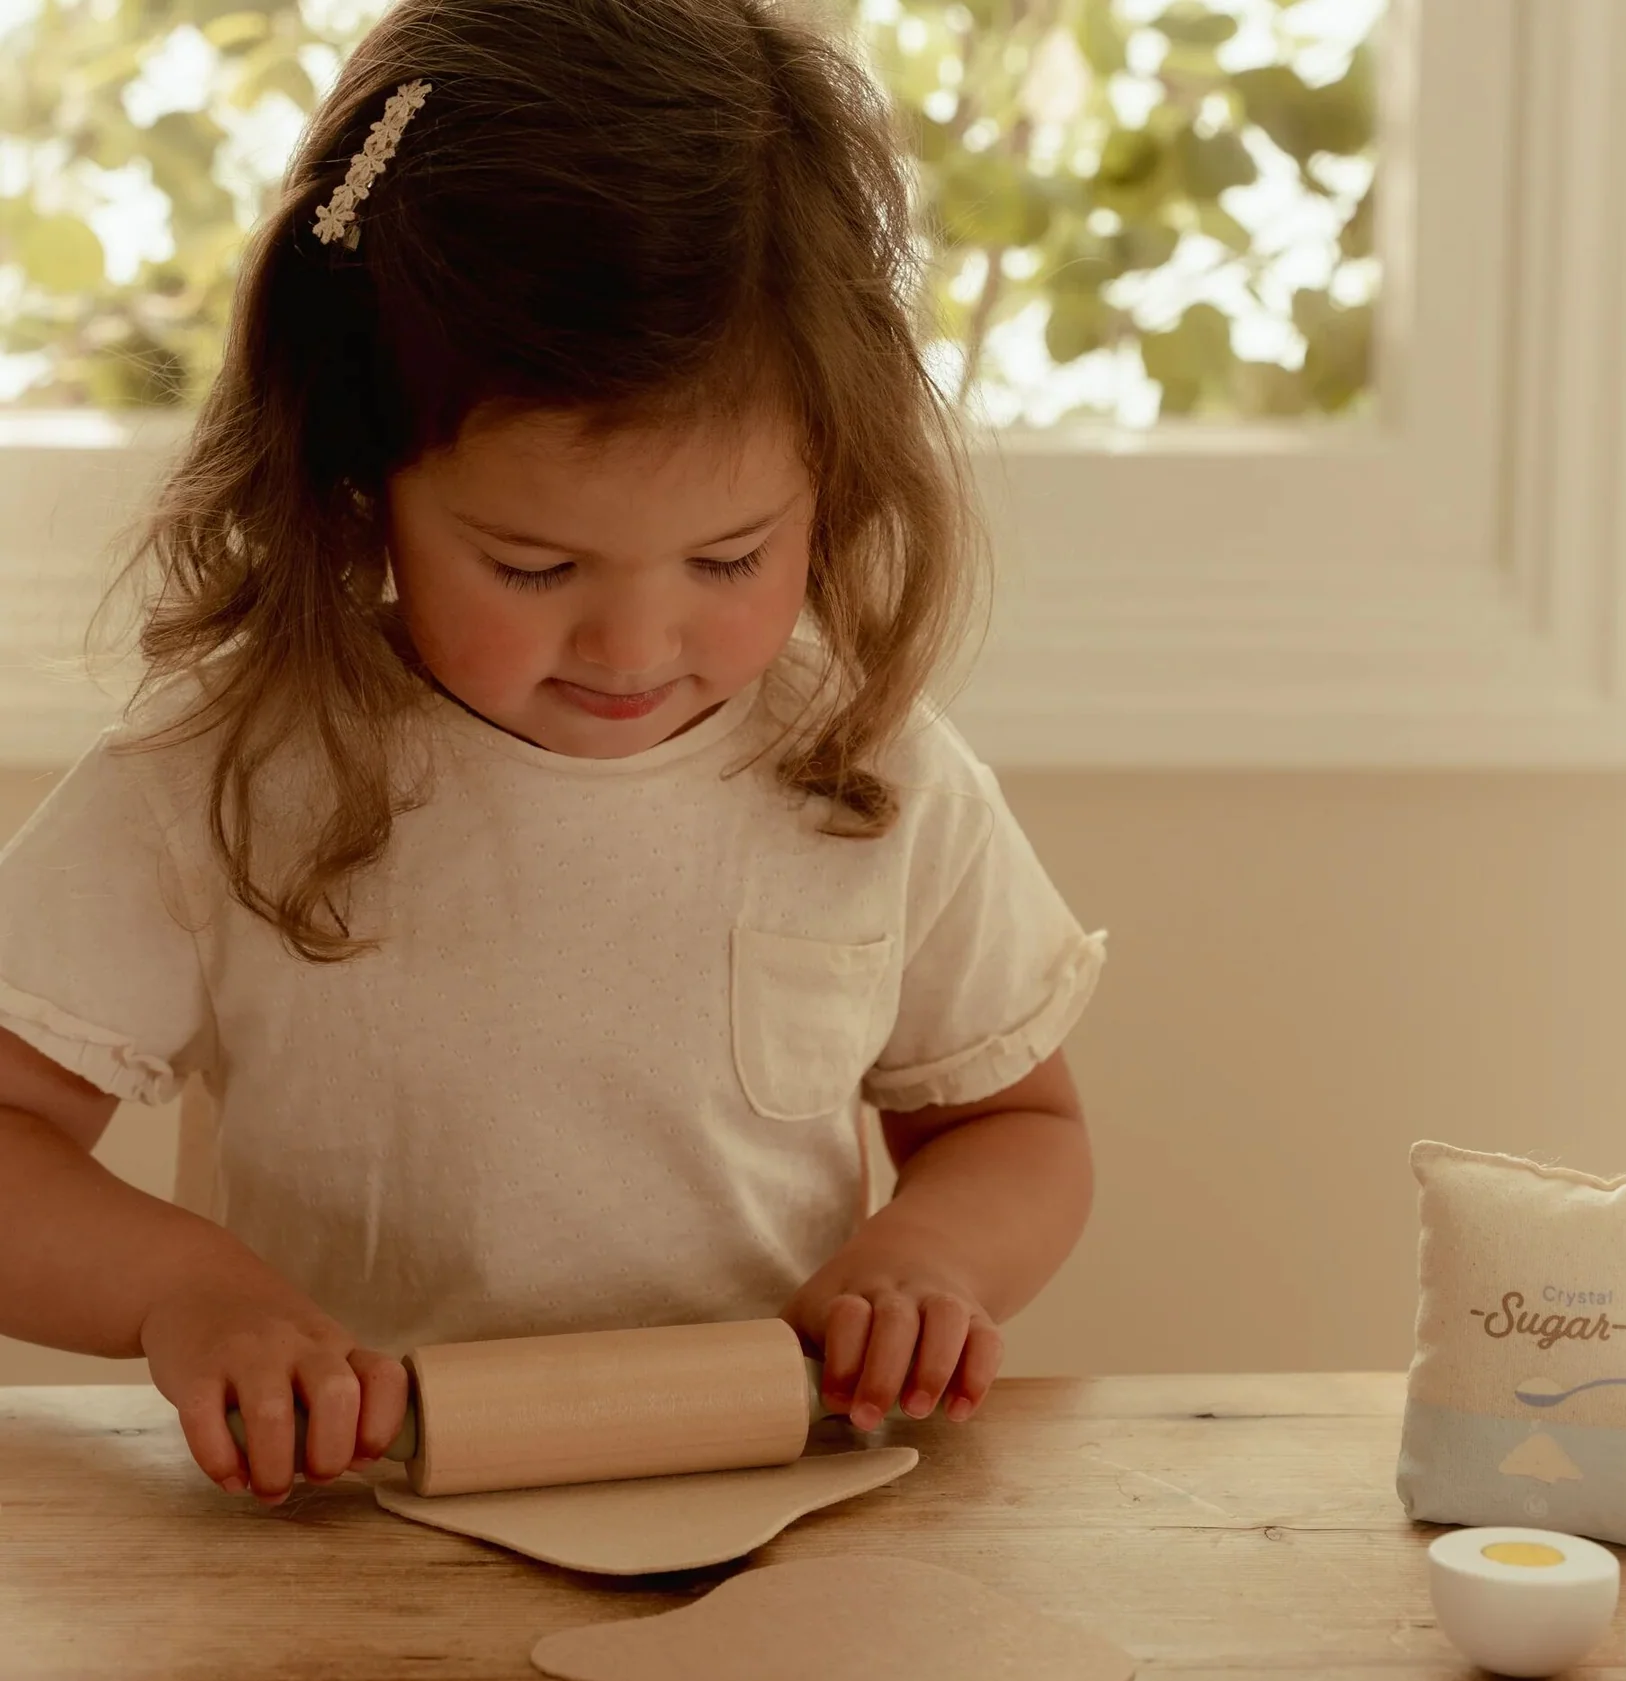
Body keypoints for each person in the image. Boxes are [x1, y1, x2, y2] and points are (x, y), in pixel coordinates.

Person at [0, 0, 1103, 1507]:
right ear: (355, 475)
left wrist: (924, 1258)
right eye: (531, 569)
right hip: (350, 1535)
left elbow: (1012, 1127)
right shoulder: (232, 774)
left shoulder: (868, 773)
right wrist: (183, 1291)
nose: (634, 648)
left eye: (731, 558)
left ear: (831, 484)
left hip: (770, 1513)